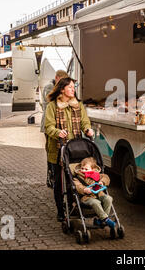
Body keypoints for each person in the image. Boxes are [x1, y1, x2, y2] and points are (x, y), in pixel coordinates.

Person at [44, 77, 94, 221]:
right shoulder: (52, 107)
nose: (73, 89)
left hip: (76, 150)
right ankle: (61, 210)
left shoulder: (78, 105)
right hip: (58, 151)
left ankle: (73, 207)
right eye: (70, 87)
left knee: (74, 181)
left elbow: (85, 122)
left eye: (74, 87)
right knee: (59, 184)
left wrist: (88, 129)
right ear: (62, 89)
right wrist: (57, 132)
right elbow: (49, 127)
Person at [41, 69, 68, 188]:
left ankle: (58, 177)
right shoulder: (49, 88)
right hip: (49, 125)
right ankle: (50, 177)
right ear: (57, 78)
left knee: (60, 152)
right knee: (51, 150)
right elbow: (48, 105)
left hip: (61, 126)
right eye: (61, 80)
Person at [72, 157, 115, 229]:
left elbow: (106, 177)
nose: (83, 171)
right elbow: (78, 186)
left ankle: (101, 220)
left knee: (109, 198)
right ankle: (105, 219)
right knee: (95, 202)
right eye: (82, 168)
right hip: (87, 197)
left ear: (93, 169)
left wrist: (102, 182)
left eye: (86, 169)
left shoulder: (97, 175)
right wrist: (84, 189)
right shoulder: (77, 178)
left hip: (99, 195)